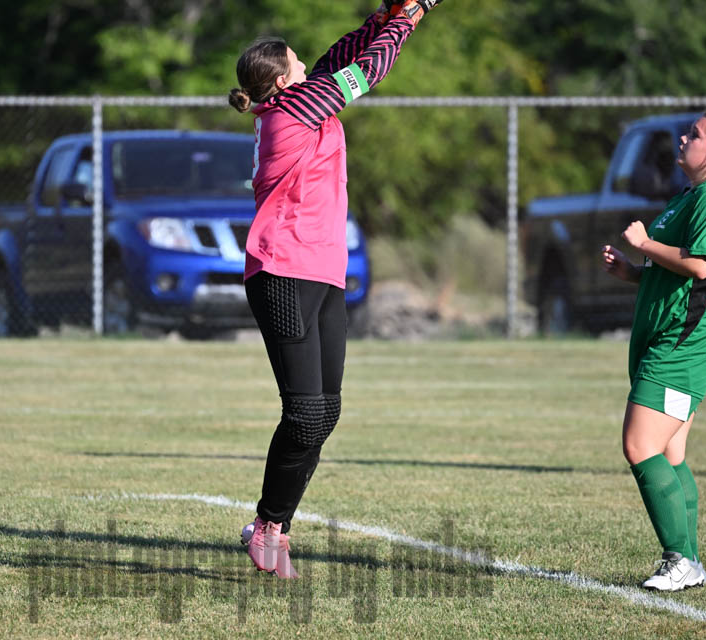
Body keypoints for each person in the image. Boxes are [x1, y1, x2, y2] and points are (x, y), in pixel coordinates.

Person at [229, 0, 445, 578]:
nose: (309, 68)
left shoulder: (296, 97)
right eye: (298, 65)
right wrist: (410, 17)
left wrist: (384, 16)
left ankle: (273, 527)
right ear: (281, 82)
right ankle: (268, 525)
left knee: (325, 413)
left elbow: (344, 53)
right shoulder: (290, 110)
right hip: (282, 269)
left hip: (322, 270)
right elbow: (365, 70)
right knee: (303, 413)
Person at [602, 111, 706, 591]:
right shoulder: (690, 196)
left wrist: (644, 242)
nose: (684, 137)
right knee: (670, 452)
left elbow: (701, 267)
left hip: (688, 343)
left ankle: (680, 559)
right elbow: (674, 271)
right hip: (676, 336)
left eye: (696, 134)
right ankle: (693, 561)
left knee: (640, 445)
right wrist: (632, 271)